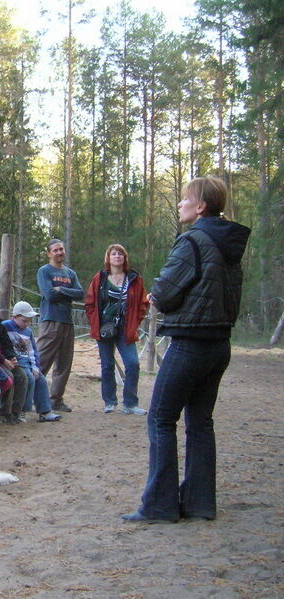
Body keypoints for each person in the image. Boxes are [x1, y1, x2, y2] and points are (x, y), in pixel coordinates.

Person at [123, 176, 250, 523]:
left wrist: (156, 296)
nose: (180, 204)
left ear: (201, 206)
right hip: (219, 343)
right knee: (200, 423)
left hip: (190, 342)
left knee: (161, 418)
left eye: (184, 199)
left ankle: (160, 507)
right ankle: (199, 503)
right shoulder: (229, 244)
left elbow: (165, 291)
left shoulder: (193, 240)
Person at [84, 244, 149, 415]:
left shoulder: (134, 279)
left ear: (125, 258)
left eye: (121, 253)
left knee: (133, 364)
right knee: (107, 365)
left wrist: (136, 321)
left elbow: (143, 303)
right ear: (108, 257)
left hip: (125, 328)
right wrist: (94, 323)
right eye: (114, 253)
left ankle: (130, 403)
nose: (117, 256)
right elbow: (90, 303)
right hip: (104, 328)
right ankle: (110, 401)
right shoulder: (100, 278)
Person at [35, 239, 83, 412]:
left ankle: (56, 399)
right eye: (55, 250)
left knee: (64, 363)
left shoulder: (70, 273)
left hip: (67, 321)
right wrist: (60, 293)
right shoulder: (44, 271)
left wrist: (61, 290)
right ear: (49, 253)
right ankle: (31, 397)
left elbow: (80, 293)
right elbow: (49, 295)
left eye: (61, 249)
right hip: (50, 320)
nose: (59, 252)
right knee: (41, 360)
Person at [1, 302, 61, 422]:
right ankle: (22, 410)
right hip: (15, 361)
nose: (27, 323)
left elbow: (33, 351)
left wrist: (35, 367)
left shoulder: (28, 332)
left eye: (29, 321)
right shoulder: (5, 326)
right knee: (29, 378)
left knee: (41, 379)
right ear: (15, 316)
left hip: (26, 362)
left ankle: (45, 411)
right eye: (24, 320)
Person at [0, 295, 27, 425]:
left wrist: (12, 358)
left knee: (22, 375)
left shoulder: (1, 326)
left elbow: (7, 345)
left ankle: (16, 412)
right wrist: (3, 361)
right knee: (8, 376)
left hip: (4, 360)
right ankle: (4, 412)